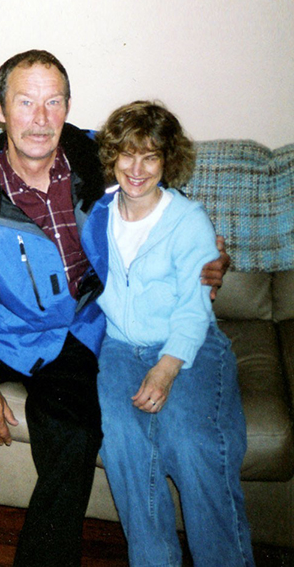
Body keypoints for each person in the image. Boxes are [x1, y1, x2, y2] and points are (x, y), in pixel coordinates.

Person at [0, 52, 228, 567]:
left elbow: (158, 201)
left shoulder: (100, 161)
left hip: (75, 331)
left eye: (53, 102)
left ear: (68, 107)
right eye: (25, 102)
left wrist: (207, 252)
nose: (40, 118)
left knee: (75, 435)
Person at [85, 101, 254, 566]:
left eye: (151, 157)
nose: (136, 169)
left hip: (188, 346)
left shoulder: (188, 221)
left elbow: (195, 307)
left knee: (193, 443)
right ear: (112, 155)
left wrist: (165, 368)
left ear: (167, 161)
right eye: (127, 154)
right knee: (123, 441)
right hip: (117, 348)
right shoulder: (95, 213)